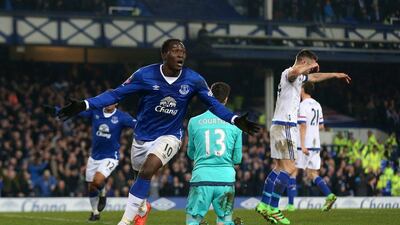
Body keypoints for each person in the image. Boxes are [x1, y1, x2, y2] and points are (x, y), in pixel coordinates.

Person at [56, 38, 260, 225]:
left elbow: (214, 104)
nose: (180, 54)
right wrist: (85, 104)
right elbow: (116, 94)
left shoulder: (194, 80)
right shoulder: (144, 75)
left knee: (147, 170)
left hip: (170, 135)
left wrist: (234, 119)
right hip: (142, 137)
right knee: (139, 177)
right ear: (164, 54)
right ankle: (142, 207)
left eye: (183, 51)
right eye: (175, 51)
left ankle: (125, 222)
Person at [255, 49, 350, 224]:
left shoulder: (300, 78)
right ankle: (274, 208)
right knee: (291, 168)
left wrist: (335, 74)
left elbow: (315, 78)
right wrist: (309, 65)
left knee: (278, 168)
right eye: (310, 66)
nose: (311, 71)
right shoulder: (288, 73)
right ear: (304, 63)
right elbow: (295, 71)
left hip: (279, 125)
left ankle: (263, 205)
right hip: (286, 126)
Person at [44, 103, 137, 221]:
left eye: (112, 101)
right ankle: (95, 212)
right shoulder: (96, 112)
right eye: (107, 101)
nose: (109, 103)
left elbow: (137, 124)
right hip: (94, 157)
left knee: (97, 180)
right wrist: (56, 110)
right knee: (92, 187)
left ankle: (102, 191)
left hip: (110, 157)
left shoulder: (122, 116)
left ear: (116, 103)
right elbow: (75, 111)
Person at [185, 82, 243, 225]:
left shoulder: (194, 122)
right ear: (226, 99)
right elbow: (237, 159)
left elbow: (191, 154)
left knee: (193, 221)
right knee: (224, 220)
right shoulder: (236, 124)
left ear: (208, 97)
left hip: (201, 178)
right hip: (226, 179)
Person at [286, 82, 337, 212]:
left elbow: (303, 125)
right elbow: (321, 126)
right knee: (311, 173)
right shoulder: (317, 105)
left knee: (292, 172)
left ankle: (291, 205)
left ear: (303, 89)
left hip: (304, 145)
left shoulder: (302, 106)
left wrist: (302, 144)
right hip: (315, 144)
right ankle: (329, 195)